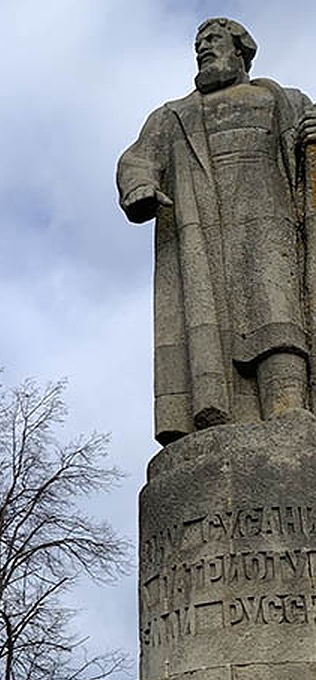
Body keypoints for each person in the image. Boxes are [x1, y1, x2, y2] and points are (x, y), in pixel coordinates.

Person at [117, 18, 316, 443]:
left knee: (276, 307)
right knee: (205, 326)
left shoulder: (285, 100)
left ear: (241, 48)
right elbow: (137, 160)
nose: (203, 48)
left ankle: (289, 405)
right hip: (201, 230)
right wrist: (139, 186)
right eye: (198, 43)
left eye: (213, 39)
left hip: (270, 220)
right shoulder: (173, 116)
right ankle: (212, 417)